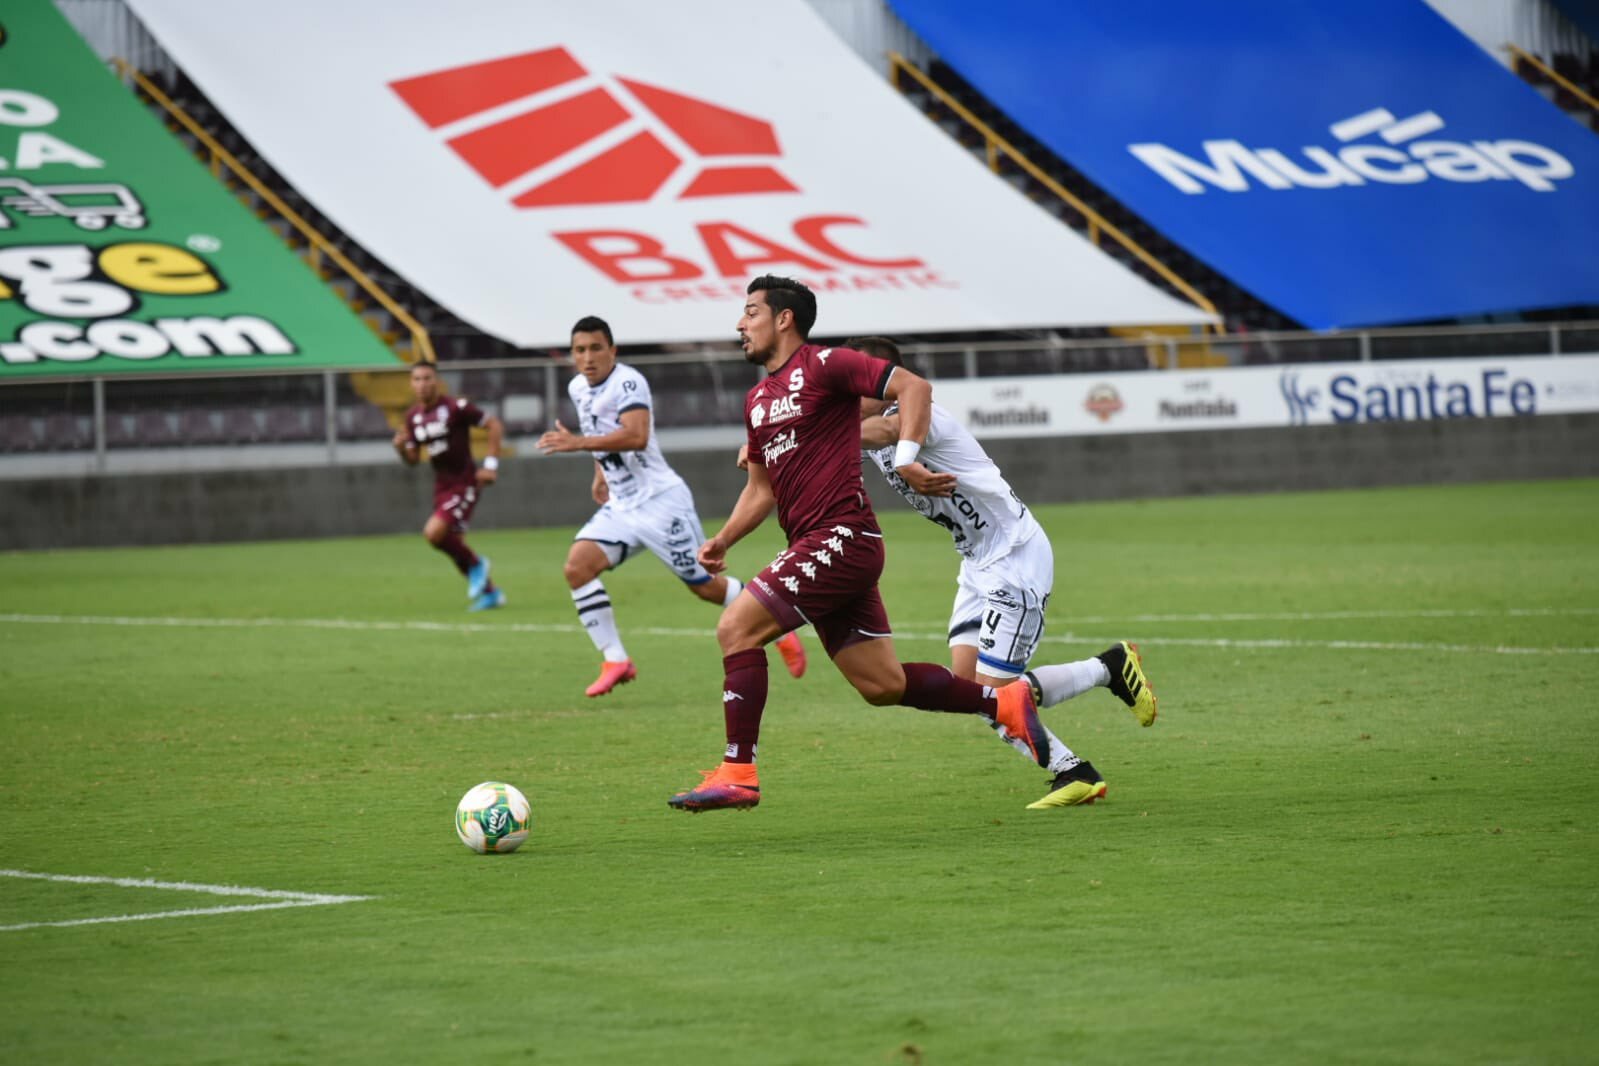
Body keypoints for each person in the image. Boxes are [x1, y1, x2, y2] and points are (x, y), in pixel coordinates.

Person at [670, 275, 1090, 815]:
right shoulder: (757, 401)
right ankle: (1002, 703)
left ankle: (738, 772)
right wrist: (723, 539)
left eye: (751, 312)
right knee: (881, 684)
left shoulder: (827, 365)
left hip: (840, 536)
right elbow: (760, 490)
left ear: (784, 319)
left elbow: (913, 388)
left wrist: (908, 456)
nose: (739, 323)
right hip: (823, 544)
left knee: (736, 627)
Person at [849, 335, 1157, 808]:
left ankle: (1097, 697)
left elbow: (889, 432)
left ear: (887, 384)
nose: (850, 391)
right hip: (976, 561)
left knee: (993, 695)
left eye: (861, 381)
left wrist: (819, 428)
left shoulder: (914, 417)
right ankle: (1085, 738)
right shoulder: (864, 428)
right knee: (968, 686)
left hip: (1015, 558)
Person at [538, 315, 807, 698]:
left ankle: (780, 627)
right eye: (579, 350)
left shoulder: (628, 382)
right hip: (622, 505)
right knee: (577, 568)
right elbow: (600, 431)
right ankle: (615, 660)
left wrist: (578, 444)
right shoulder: (578, 387)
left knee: (707, 587)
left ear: (612, 350)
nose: (588, 357)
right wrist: (600, 473)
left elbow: (636, 435)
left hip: (661, 503)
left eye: (596, 348)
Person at [393, 360, 506, 611]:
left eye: (427, 378)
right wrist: (400, 449)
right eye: (417, 379)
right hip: (442, 486)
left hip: (465, 481)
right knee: (453, 544)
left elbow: (494, 425)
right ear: (411, 384)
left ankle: (477, 565)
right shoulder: (413, 417)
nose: (422, 384)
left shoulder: (456, 407)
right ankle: (491, 593)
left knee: (433, 533)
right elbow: (413, 460)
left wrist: (490, 466)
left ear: (437, 381)